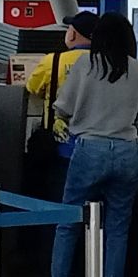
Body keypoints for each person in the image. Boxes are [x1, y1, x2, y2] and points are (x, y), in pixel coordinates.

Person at [47, 13, 138, 277]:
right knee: (117, 227)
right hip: (126, 150)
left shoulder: (83, 65)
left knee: (68, 221)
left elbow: (63, 108)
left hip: (89, 148)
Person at [25, 10, 96, 169]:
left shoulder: (53, 61)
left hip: (58, 145)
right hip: (94, 145)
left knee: (58, 188)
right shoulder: (104, 63)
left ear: (72, 35)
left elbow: (32, 87)